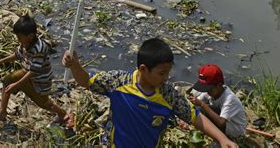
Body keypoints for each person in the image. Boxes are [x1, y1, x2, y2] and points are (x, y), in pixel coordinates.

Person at [62, 37, 238, 148]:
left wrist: (222, 139)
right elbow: (87, 81)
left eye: (168, 72)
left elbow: (194, 116)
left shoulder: (168, 95)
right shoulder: (118, 82)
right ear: (143, 69)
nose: (166, 77)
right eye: (162, 73)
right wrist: (75, 65)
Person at [0, 15, 69, 124]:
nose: (18, 40)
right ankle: (2, 113)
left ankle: (62, 113)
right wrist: (1, 61)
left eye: (20, 37)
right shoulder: (25, 43)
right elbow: (17, 55)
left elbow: (34, 71)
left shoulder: (39, 48)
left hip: (40, 79)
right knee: (7, 82)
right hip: (27, 72)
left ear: (30, 36)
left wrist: (17, 85)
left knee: (43, 103)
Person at [190, 64, 247, 142]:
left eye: (209, 89)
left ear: (219, 85)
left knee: (204, 109)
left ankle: (218, 136)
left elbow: (221, 123)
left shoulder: (229, 99)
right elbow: (197, 101)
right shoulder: (212, 91)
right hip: (223, 118)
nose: (207, 92)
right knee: (200, 109)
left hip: (234, 128)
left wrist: (202, 104)